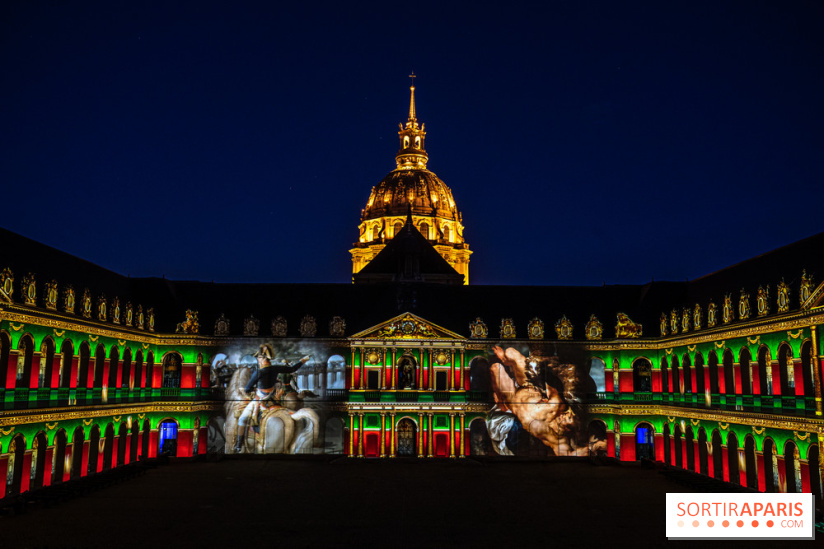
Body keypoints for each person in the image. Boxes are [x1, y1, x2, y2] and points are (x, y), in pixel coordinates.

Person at [488, 345, 604, 456]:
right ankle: (506, 360)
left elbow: (568, 454)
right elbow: (550, 385)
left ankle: (502, 403)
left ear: (566, 429)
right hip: (528, 385)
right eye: (569, 414)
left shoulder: (555, 437)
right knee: (510, 352)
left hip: (512, 398)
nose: (565, 414)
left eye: (568, 418)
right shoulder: (559, 407)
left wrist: (595, 447)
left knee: (496, 368)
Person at [234, 344, 310, 453]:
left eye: (259, 357)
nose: (258, 359)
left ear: (264, 359)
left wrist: (252, 390)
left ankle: (238, 445)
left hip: (260, 399)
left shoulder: (258, 372)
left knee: (242, 419)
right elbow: (292, 368)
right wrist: (303, 360)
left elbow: (247, 389)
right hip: (273, 398)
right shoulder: (275, 368)